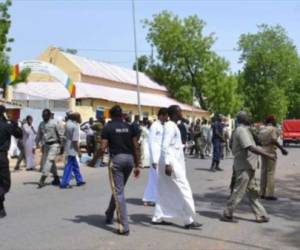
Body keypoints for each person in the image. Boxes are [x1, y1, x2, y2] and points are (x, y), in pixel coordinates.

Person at [152, 105, 202, 229]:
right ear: (175, 113)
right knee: (183, 188)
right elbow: (165, 146)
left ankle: (158, 217)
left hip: (170, 161)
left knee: (165, 189)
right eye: (180, 111)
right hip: (170, 163)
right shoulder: (170, 126)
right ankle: (189, 219)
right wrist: (168, 164)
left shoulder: (173, 125)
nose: (182, 113)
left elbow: (173, 145)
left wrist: (184, 146)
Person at [222, 111, 276, 223]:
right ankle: (227, 213)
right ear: (243, 119)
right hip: (244, 166)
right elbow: (250, 147)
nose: (250, 118)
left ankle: (261, 214)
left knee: (253, 193)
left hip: (248, 166)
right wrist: (268, 155)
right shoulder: (241, 130)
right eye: (248, 116)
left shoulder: (246, 130)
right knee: (238, 192)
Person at [100, 105, 141, 236]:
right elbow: (136, 146)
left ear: (111, 115)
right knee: (119, 189)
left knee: (118, 192)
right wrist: (138, 164)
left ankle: (124, 226)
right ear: (122, 115)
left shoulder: (108, 127)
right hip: (129, 161)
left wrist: (92, 160)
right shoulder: (130, 127)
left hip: (117, 160)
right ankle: (109, 213)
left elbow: (103, 147)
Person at [142, 108, 168, 206]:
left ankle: (149, 197)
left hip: (160, 155)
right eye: (166, 116)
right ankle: (152, 198)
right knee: (155, 178)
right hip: (155, 156)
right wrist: (153, 159)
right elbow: (151, 142)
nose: (167, 118)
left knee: (156, 178)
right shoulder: (154, 126)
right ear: (161, 115)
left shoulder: (163, 126)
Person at [0, 105, 22, 218]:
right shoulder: (6, 126)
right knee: (5, 184)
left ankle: (1, 208)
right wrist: (14, 122)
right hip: (2, 157)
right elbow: (19, 134)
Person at [258, 115, 288, 200]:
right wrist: (282, 149)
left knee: (263, 171)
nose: (275, 121)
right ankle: (269, 194)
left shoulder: (262, 129)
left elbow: (258, 140)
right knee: (270, 172)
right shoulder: (273, 129)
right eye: (275, 120)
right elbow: (273, 140)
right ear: (272, 121)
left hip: (263, 150)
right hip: (270, 150)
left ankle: (262, 193)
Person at [36, 109, 62, 188]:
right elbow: (39, 135)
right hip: (46, 145)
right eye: (43, 116)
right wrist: (36, 144)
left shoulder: (55, 123)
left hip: (54, 144)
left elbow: (60, 135)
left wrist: (62, 146)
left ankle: (42, 179)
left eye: (45, 115)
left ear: (49, 115)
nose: (44, 117)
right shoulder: (41, 124)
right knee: (51, 163)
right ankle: (56, 178)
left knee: (48, 161)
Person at [60, 113, 85, 188]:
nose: (80, 119)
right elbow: (75, 141)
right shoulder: (75, 126)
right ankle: (64, 183)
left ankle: (79, 180)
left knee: (75, 165)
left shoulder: (67, 124)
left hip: (67, 147)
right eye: (80, 117)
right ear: (76, 118)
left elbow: (64, 137)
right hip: (72, 149)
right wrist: (79, 151)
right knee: (69, 167)